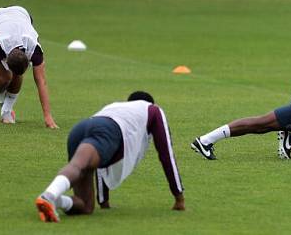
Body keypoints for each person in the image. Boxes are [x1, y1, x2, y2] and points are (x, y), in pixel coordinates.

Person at [35, 91, 184, 223]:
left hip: (80, 128)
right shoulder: (153, 110)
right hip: (106, 130)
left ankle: (55, 201)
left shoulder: (116, 107)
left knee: (86, 206)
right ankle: (49, 195)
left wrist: (104, 201)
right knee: (78, 165)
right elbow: (166, 154)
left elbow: (102, 163)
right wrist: (179, 198)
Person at [0, 6, 57, 128]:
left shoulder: (35, 49)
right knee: (4, 77)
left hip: (22, 14)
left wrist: (48, 117)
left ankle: (6, 111)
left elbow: (42, 81)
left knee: (16, 76)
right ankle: (1, 98)